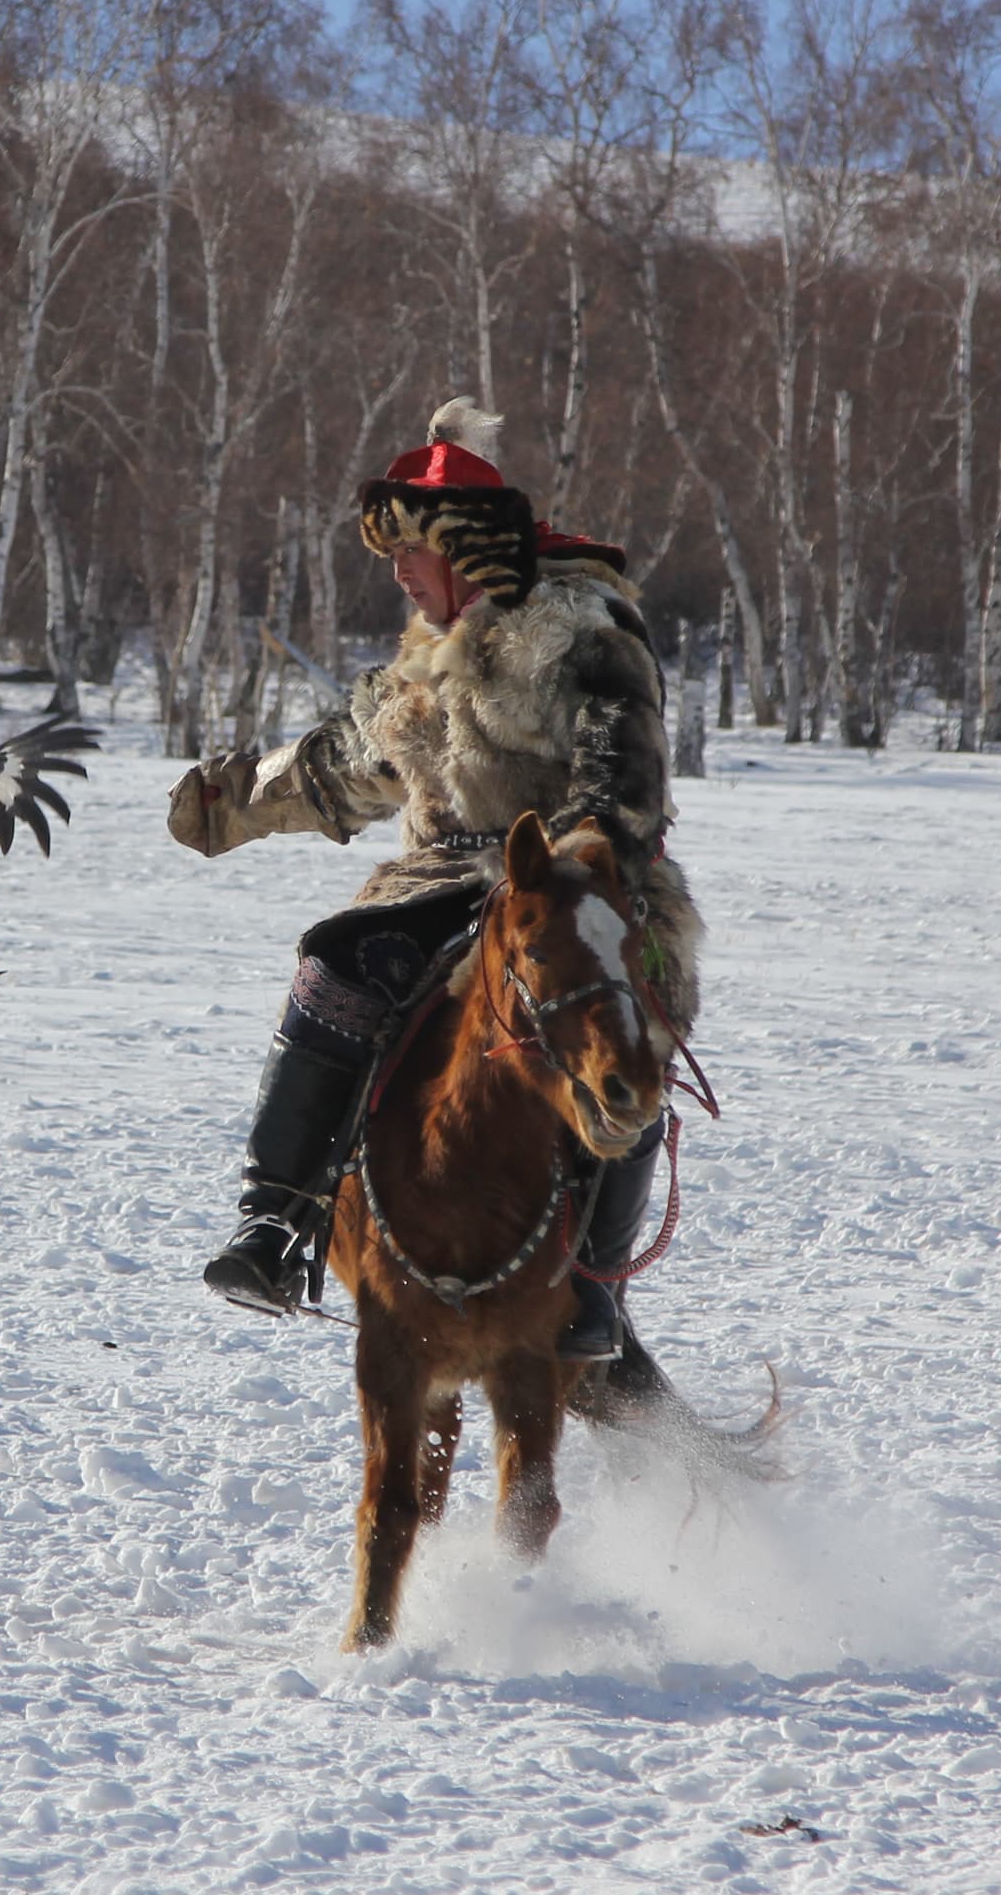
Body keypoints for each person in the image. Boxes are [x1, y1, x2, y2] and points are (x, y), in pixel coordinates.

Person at [168, 397, 698, 1357]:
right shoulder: (424, 661)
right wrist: (232, 806)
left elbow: (625, 787)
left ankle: (591, 1285)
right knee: (334, 958)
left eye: (412, 553)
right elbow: (348, 764)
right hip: (437, 886)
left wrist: (551, 874)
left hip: (583, 893)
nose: (400, 574)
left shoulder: (583, 632)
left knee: (619, 1034)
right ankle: (276, 1220)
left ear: (462, 548)